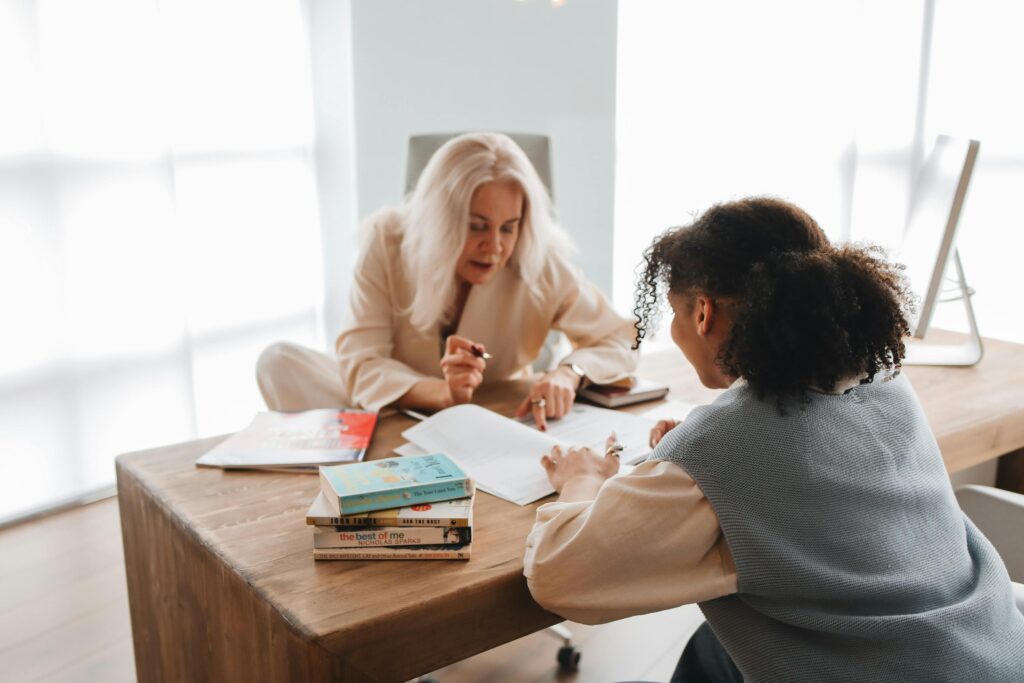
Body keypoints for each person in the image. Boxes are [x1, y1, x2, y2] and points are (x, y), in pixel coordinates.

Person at [523, 197, 1024, 681]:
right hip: (993, 648)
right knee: (713, 649)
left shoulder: (724, 449)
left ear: (703, 313)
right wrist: (698, 463)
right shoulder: (884, 378)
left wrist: (582, 482)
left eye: (674, 316)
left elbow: (557, 574)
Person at [257, 132, 636, 426]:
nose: (494, 247)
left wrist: (569, 374)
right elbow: (362, 363)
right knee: (278, 362)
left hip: (490, 410)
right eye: (476, 226)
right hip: (393, 404)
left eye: (509, 227)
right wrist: (443, 394)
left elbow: (619, 338)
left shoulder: (540, 258)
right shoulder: (387, 242)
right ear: (440, 219)